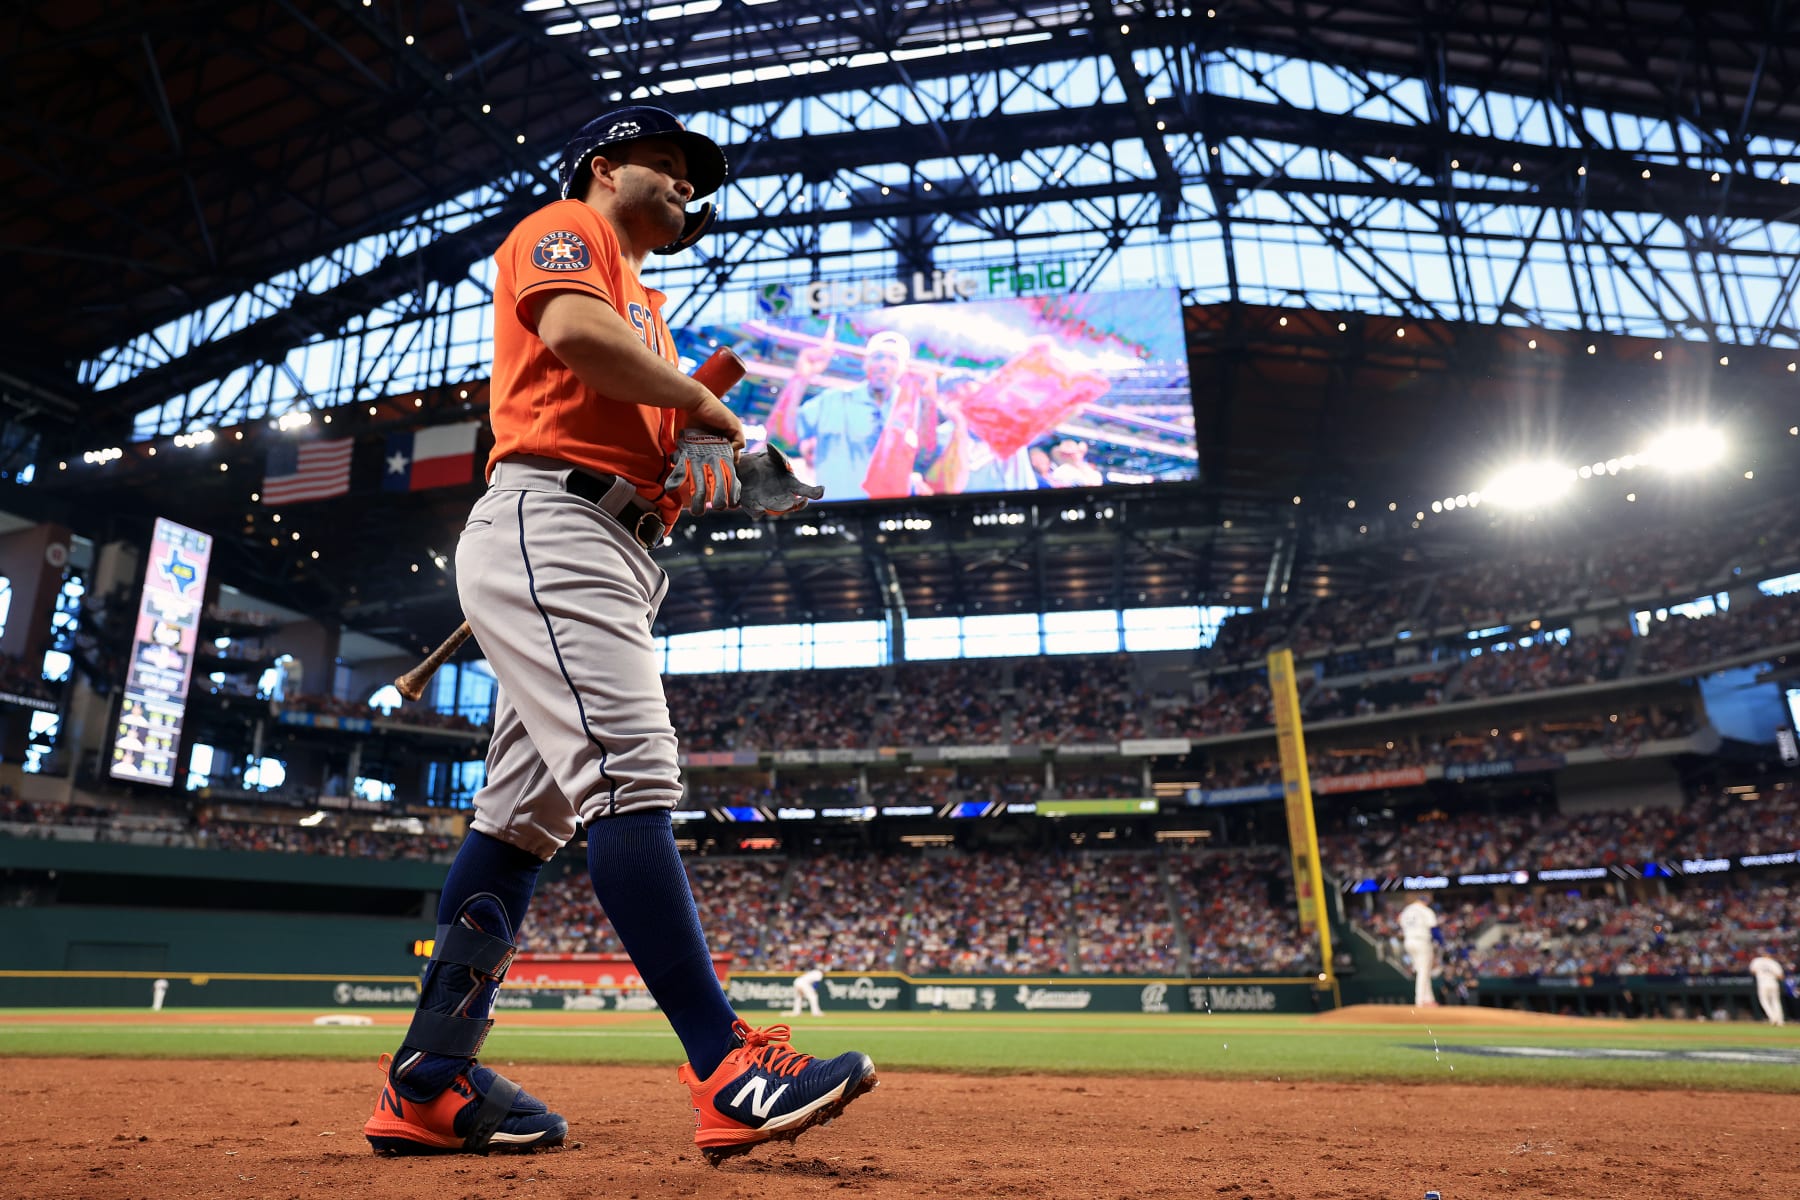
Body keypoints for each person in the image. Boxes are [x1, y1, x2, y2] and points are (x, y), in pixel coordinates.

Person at [361, 106, 875, 1165]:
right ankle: (726, 1067)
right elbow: (570, 336)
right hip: (556, 524)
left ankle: (428, 1081)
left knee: (518, 827)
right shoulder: (569, 227)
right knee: (631, 774)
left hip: (611, 540)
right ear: (605, 168)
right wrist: (699, 403)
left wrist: (708, 457)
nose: (689, 185)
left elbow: (646, 426)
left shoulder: (650, 306)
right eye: (668, 165)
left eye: (697, 178)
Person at [790, 331, 937, 500]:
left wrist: (928, 404)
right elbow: (782, 437)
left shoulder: (914, 409)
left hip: (892, 512)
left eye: (893, 359)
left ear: (903, 368)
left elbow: (925, 459)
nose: (883, 364)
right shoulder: (833, 400)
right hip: (837, 508)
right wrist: (800, 378)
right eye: (878, 356)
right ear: (865, 363)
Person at [1397, 894, 1439, 1007]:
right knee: (1423, 971)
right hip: (1421, 941)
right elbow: (1434, 928)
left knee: (1423, 970)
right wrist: (1440, 942)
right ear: (1425, 901)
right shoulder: (1425, 910)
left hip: (1408, 941)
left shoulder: (1406, 910)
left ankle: (1429, 998)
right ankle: (1420, 1000)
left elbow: (1399, 922)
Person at [1750, 951, 1789, 1026]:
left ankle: (1773, 1018)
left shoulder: (1757, 960)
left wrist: (1761, 973)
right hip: (1773, 983)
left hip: (1762, 983)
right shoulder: (1774, 963)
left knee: (1764, 1001)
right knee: (1776, 1001)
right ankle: (1780, 1021)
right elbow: (1780, 976)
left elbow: (1753, 971)